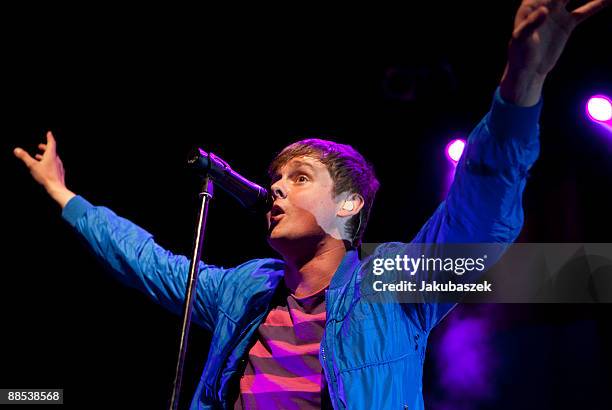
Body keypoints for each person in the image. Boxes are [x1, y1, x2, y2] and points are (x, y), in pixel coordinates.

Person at [13, 1, 610, 409]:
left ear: (348, 205)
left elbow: (479, 211)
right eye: (275, 178)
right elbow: (144, 259)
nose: (275, 188)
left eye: (298, 177)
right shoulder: (245, 290)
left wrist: (520, 84)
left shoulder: (394, 281)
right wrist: (64, 194)